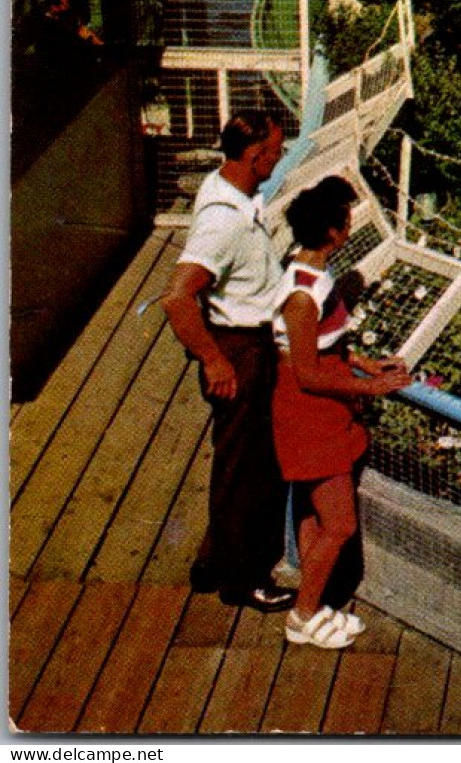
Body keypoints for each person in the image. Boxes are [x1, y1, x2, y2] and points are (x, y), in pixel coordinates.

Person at [161, 110, 295, 612]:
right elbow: (177, 297)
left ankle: (214, 559)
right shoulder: (223, 221)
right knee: (251, 468)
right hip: (240, 350)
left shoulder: (232, 192)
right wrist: (214, 360)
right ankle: (244, 580)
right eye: (277, 151)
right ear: (256, 156)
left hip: (246, 342)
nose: (280, 157)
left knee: (234, 461)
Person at [273, 176, 411, 648]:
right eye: (346, 221)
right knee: (340, 525)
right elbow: (308, 373)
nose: (350, 226)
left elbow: (329, 347)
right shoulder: (299, 296)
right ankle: (302, 617)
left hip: (324, 411)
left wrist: (364, 362)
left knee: (314, 517)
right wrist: (372, 387)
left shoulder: (313, 274)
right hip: (309, 415)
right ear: (332, 232)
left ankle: (316, 604)